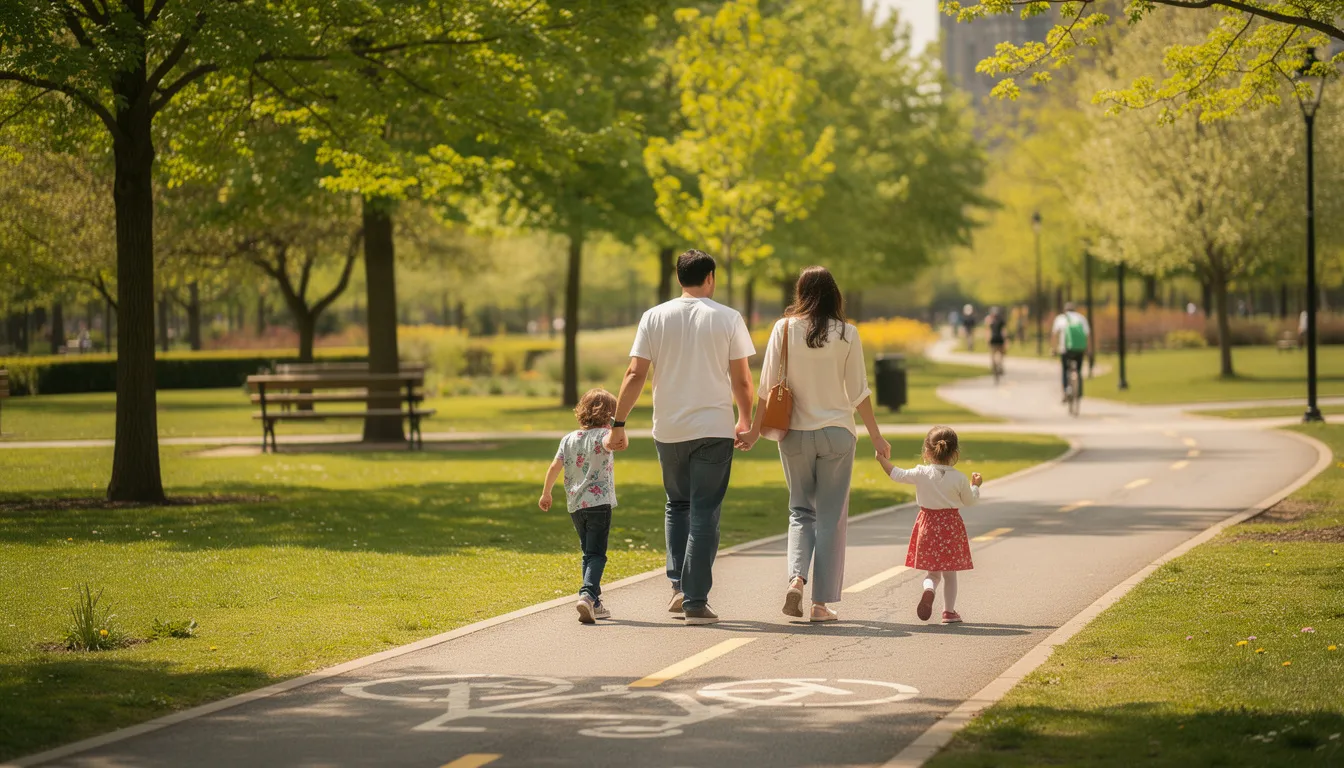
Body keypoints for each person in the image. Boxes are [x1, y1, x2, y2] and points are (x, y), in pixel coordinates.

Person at [609, 249, 755, 626]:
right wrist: (746, 419)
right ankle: (694, 601)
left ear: (678, 279)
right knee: (705, 511)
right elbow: (741, 379)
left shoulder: (653, 317)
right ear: (710, 278)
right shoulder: (728, 318)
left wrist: (618, 423)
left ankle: (677, 586)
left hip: (669, 429)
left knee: (677, 505)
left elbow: (634, 374)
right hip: (713, 429)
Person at [737, 266, 891, 623]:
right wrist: (877, 436)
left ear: (800, 293)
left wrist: (753, 430)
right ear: (834, 294)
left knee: (800, 511)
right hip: (838, 433)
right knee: (831, 518)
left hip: (794, 434)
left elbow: (766, 387)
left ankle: (796, 578)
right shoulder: (848, 334)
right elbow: (859, 392)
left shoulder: (784, 328)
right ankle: (821, 604)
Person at [876, 426, 982, 624]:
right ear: (955, 453)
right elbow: (970, 501)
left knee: (933, 573)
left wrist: (881, 459)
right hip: (950, 527)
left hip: (927, 525)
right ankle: (949, 612)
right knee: (950, 574)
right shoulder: (959, 478)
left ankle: (929, 589)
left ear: (926, 451)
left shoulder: (921, 472)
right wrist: (975, 485)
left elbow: (896, 474)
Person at [539, 388, 626, 624]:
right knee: (597, 553)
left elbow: (554, 467)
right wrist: (619, 423)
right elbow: (619, 441)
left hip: (576, 504)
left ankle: (595, 603)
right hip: (599, 503)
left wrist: (546, 493)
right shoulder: (604, 437)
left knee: (588, 553)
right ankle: (587, 595)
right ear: (609, 415)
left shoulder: (568, 438)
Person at [1051, 302, 1091, 402]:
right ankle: (1079, 392)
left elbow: (1054, 334)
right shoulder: (1081, 318)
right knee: (1078, 370)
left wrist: (1053, 349)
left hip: (1065, 349)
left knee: (1065, 369)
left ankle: (1066, 391)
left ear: (1065, 310)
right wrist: (1088, 349)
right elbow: (1087, 335)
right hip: (1079, 349)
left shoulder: (1060, 318)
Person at [987, 306, 1007, 375]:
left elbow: (988, 331)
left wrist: (987, 340)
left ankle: (995, 367)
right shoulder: (1001, 320)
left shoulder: (990, 320)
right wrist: (1006, 340)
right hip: (1000, 339)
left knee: (993, 355)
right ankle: (999, 366)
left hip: (993, 340)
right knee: (1001, 354)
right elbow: (1004, 331)